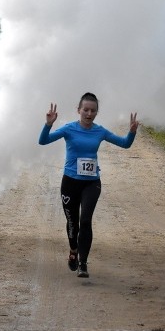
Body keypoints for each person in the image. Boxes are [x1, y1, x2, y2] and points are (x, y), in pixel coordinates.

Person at [38, 92, 139, 278]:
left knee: (85, 221)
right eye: (85, 110)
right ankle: (73, 251)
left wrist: (132, 132)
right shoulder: (69, 129)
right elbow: (43, 141)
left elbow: (125, 144)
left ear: (96, 112)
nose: (89, 113)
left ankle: (83, 263)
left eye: (93, 110)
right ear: (79, 110)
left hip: (91, 183)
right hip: (70, 182)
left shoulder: (100, 131)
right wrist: (48, 124)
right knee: (72, 223)